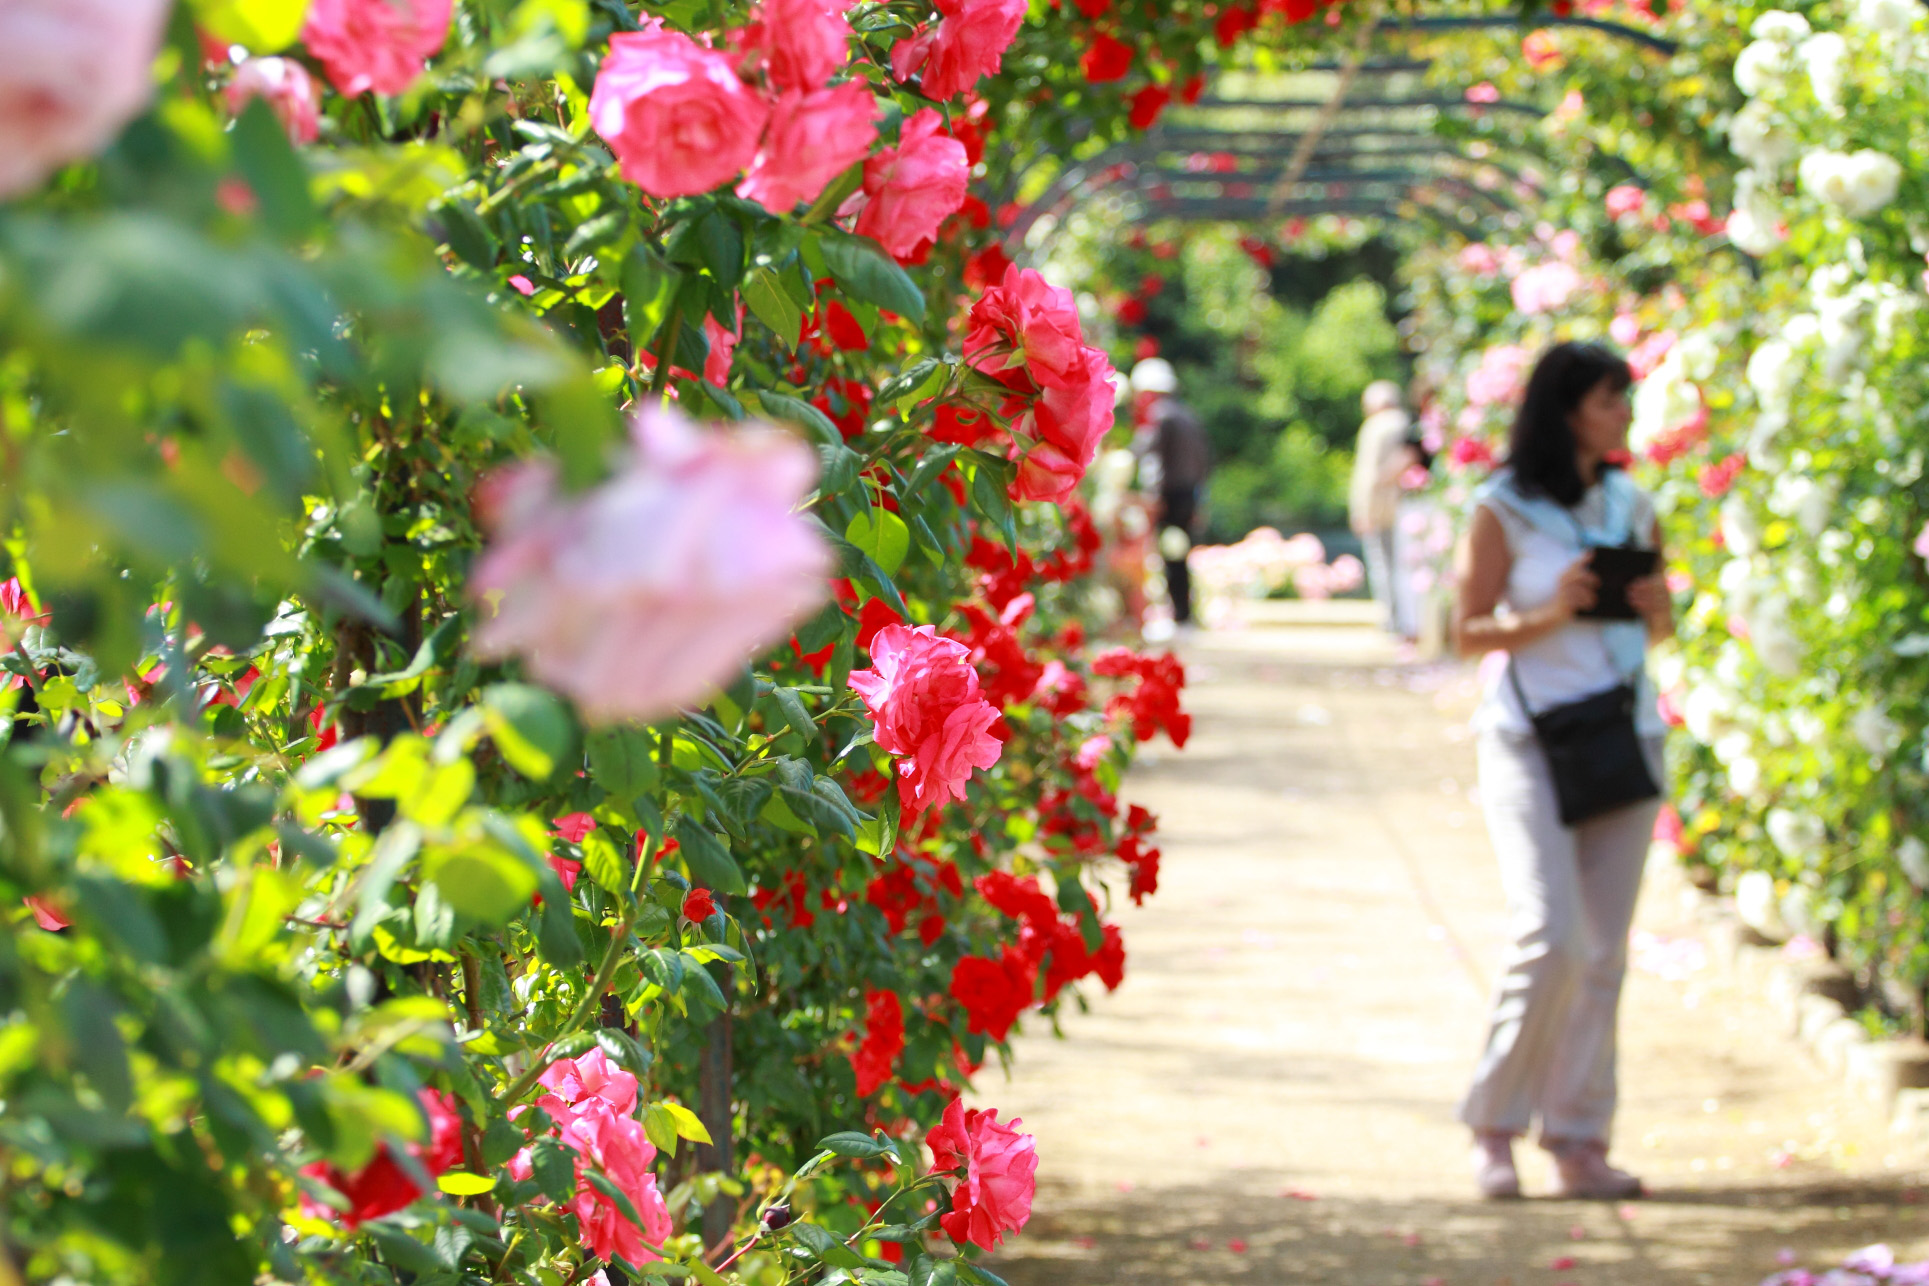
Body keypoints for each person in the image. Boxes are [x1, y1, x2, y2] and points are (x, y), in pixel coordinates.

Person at [1450, 342, 1675, 1201]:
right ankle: (1493, 1124)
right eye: (1608, 396)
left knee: (1603, 954)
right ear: (1566, 407)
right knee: (1550, 936)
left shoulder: (1632, 502)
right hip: (1529, 738)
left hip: (1624, 733)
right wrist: (1551, 611)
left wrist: (1657, 608)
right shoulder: (1500, 508)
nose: (1622, 409)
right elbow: (1464, 631)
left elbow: (1657, 632)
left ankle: (1578, 1138)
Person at [1130, 357, 1211, 630]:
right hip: (1188, 495)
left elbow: (1153, 460)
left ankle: (1178, 614)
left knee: (1168, 554)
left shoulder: (1160, 416)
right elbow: (1203, 461)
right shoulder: (1188, 416)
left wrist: (1153, 496)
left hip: (1168, 497)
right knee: (1180, 553)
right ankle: (1184, 612)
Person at [1349, 380, 1416, 634]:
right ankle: (1406, 621)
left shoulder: (1375, 427)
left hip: (1379, 508)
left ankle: (1393, 622)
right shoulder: (1406, 421)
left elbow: (1367, 475)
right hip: (1409, 507)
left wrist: (1361, 511)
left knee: (1383, 566)